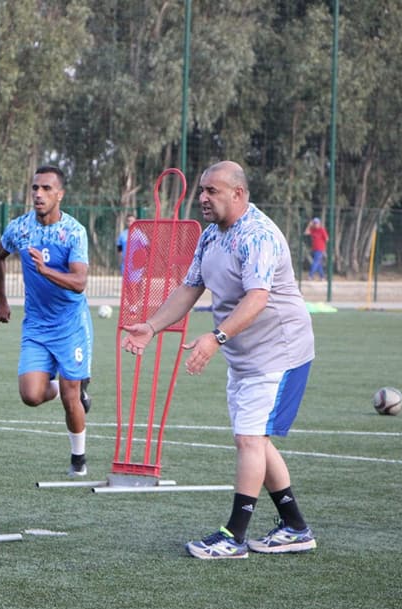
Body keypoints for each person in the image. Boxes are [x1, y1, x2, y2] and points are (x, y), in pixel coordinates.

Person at [121, 161, 317, 559]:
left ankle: (234, 536)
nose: (203, 198)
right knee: (254, 439)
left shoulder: (258, 235)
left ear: (239, 194)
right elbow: (189, 288)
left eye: (213, 191)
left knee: (249, 439)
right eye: (203, 190)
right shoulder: (210, 236)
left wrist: (215, 337)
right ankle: (296, 527)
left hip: (281, 350)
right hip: (247, 354)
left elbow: (257, 298)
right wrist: (152, 326)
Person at [0, 165, 93, 478]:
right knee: (31, 396)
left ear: (59, 195)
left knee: (72, 396)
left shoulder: (73, 232)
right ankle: (58, 384)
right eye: (35, 188)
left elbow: (79, 282)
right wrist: (2, 301)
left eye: (47, 188)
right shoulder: (20, 229)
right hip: (36, 326)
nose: (38, 194)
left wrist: (46, 271)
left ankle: (78, 460)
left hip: (70, 325)